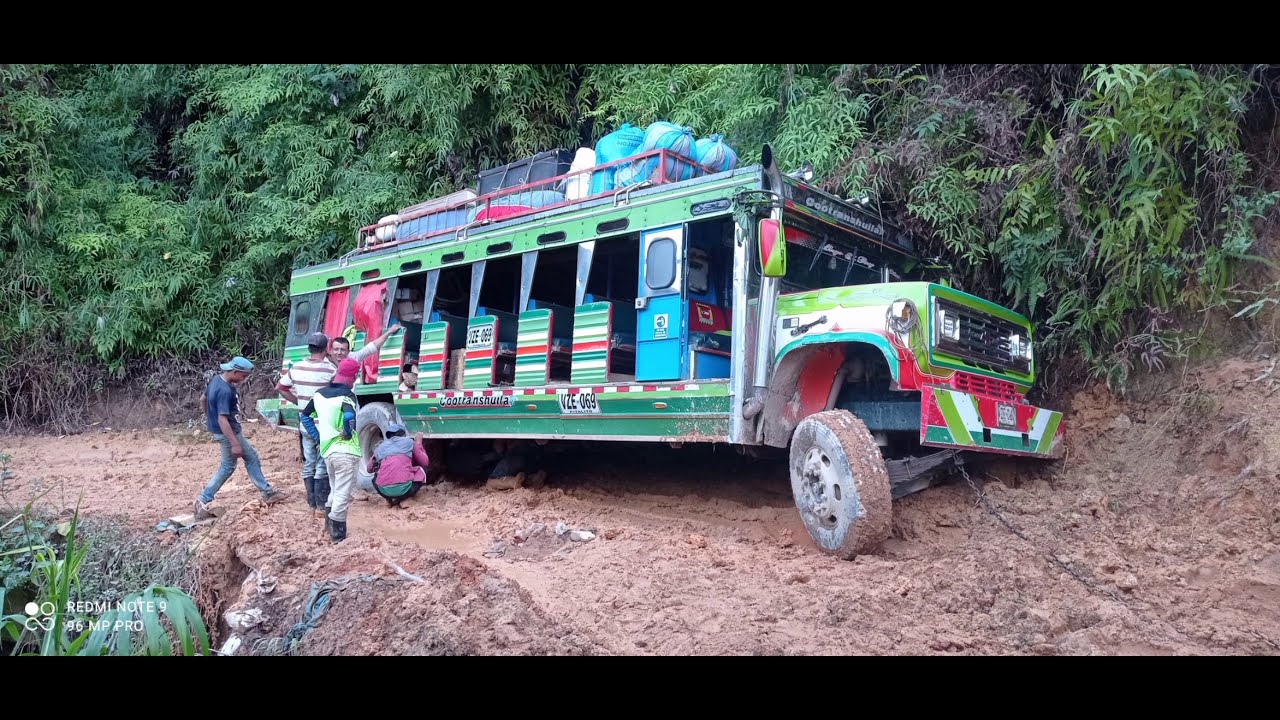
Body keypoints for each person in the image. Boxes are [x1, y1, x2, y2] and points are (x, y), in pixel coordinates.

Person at [277, 324, 401, 514]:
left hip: (328, 420)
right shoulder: (326, 369)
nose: (339, 352)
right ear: (329, 350)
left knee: (326, 461)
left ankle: (325, 502)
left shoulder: (345, 361)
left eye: (343, 349)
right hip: (328, 422)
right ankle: (325, 504)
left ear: (349, 351)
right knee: (323, 463)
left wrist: (389, 332)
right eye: (336, 349)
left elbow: (373, 346)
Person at [195, 356, 285, 518]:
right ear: (235, 372)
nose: (244, 380)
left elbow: (203, 399)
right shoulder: (225, 390)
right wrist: (235, 443)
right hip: (228, 432)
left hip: (223, 431)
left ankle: (266, 491)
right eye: (243, 376)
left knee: (249, 458)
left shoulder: (216, 380)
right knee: (230, 465)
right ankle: (204, 497)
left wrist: (209, 417)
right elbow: (223, 419)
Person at [300, 357, 362, 542]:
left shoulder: (319, 394)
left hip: (328, 451)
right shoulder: (347, 395)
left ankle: (328, 527)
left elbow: (305, 416)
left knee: (335, 489)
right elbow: (350, 415)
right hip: (346, 451)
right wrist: (348, 432)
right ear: (352, 376)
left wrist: (318, 436)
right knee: (343, 493)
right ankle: (337, 535)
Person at [369, 424, 430, 506]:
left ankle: (388, 499)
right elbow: (425, 462)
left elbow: (369, 469)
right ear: (403, 434)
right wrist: (418, 442)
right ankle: (405, 499)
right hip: (406, 491)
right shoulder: (409, 442)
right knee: (422, 470)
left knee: (375, 477)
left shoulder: (380, 447)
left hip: (384, 492)